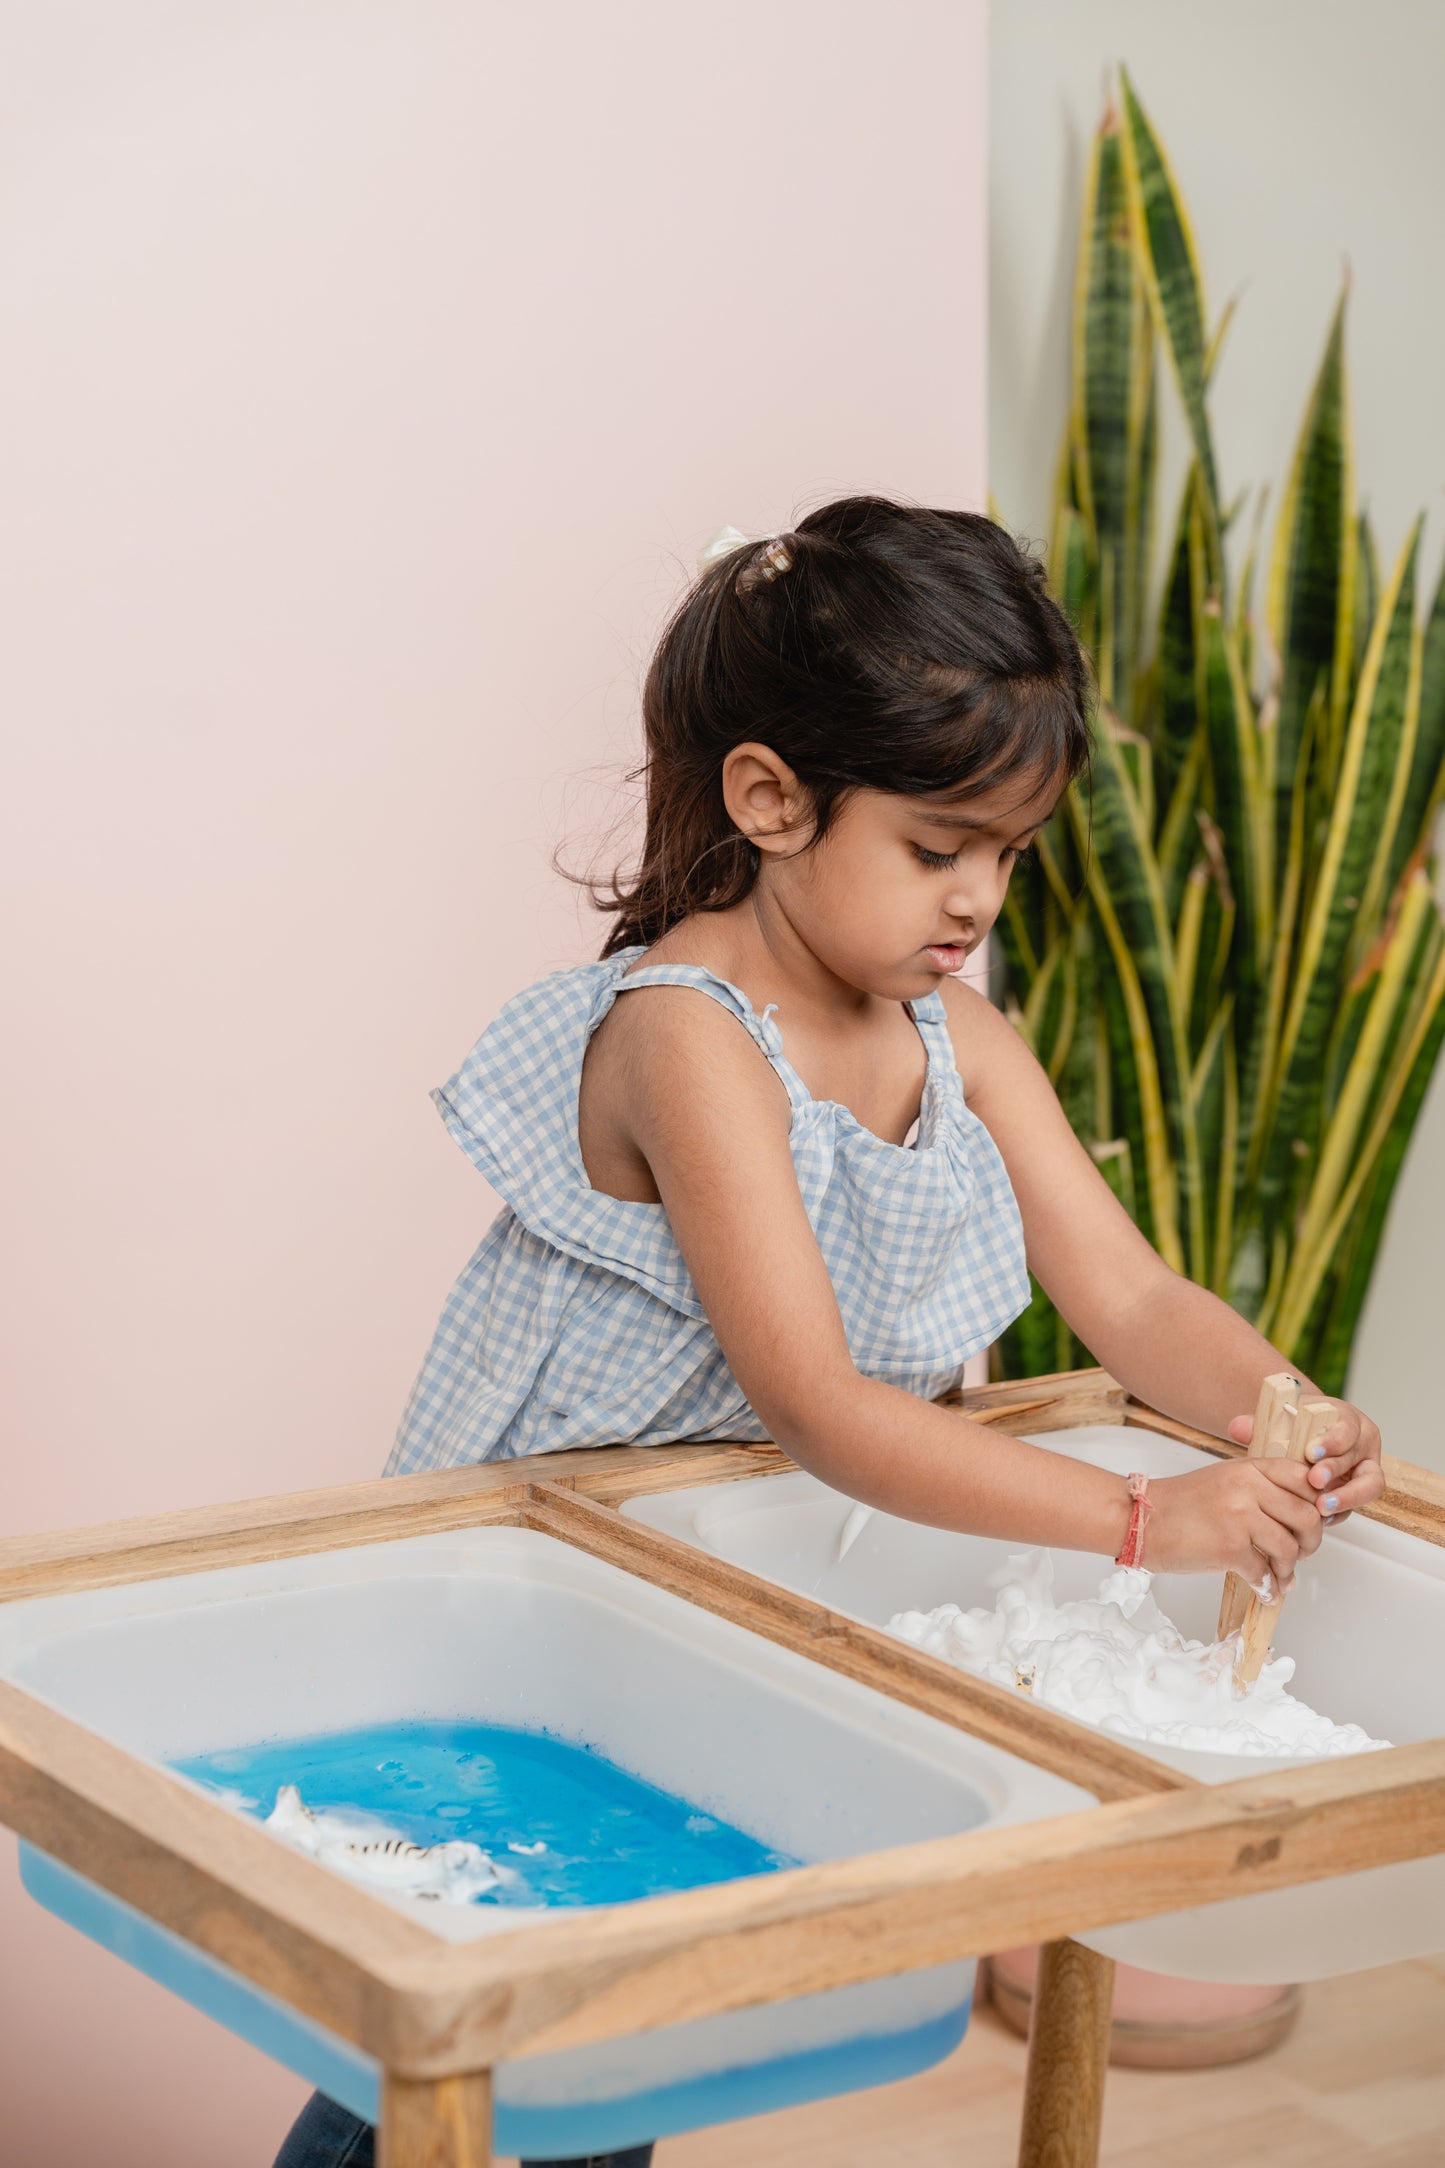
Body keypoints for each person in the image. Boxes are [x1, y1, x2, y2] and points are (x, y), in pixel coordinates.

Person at [273, 497, 1383, 2168]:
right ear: (770, 798)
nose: (978, 900)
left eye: (1007, 855)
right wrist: (1152, 1521)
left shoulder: (958, 1033)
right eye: (937, 848)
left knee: (612, 2052)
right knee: (482, 2054)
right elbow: (814, 1402)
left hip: (702, 1590)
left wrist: (1278, 1406)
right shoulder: (688, 1034)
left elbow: (1133, 1297)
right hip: (536, 1592)